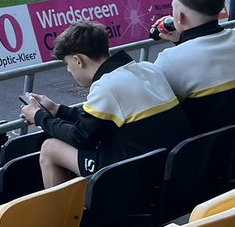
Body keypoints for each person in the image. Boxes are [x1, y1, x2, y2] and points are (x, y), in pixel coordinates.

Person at [20, 21, 190, 188]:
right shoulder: (147, 69)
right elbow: (99, 120)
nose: (68, 70)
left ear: (78, 60)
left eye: (67, 64)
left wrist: (39, 116)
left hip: (136, 176)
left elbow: (80, 138)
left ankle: (59, 216)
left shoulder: (106, 86)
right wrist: (57, 110)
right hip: (172, 168)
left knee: (50, 148)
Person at [153, 0, 235, 133]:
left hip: (210, 151)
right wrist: (183, 41)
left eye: (173, 9)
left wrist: (182, 44)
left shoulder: (169, 60)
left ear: (179, 17)